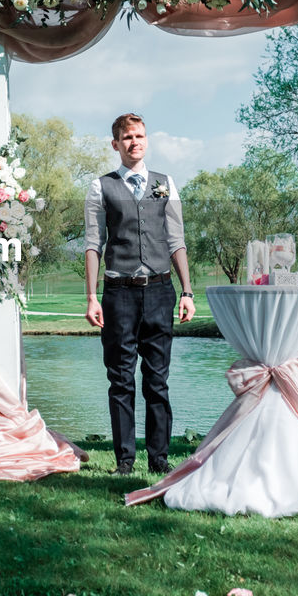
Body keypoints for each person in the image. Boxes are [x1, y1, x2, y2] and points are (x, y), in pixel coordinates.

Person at [84, 113, 194, 475]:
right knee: (120, 379)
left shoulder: (164, 184)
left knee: (157, 380)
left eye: (140, 136)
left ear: (147, 141)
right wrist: (91, 297)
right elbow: (93, 244)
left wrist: (187, 292)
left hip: (161, 291)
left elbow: (176, 239)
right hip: (119, 295)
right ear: (116, 144)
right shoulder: (101, 187)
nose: (135, 142)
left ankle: (159, 459)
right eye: (128, 137)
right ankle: (125, 462)